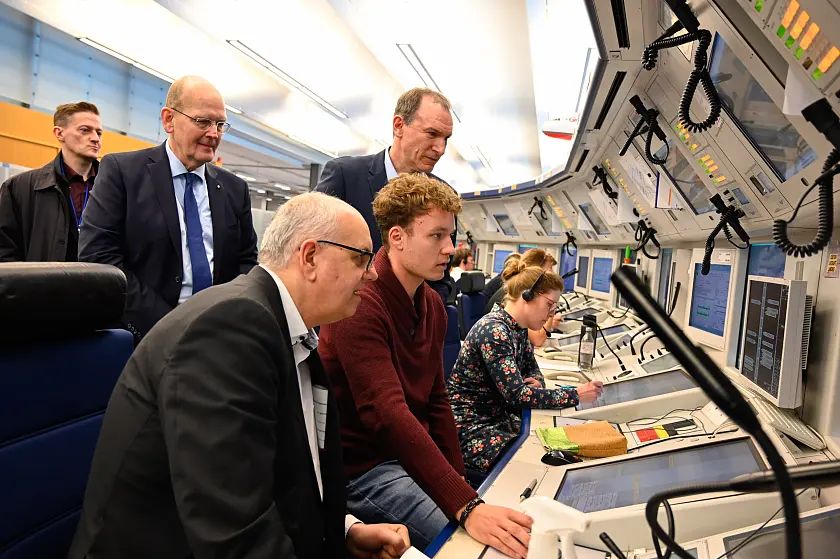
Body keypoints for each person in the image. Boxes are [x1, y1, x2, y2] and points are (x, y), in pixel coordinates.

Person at [69, 192, 412, 559]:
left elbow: (281, 471)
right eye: (361, 258)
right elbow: (234, 531)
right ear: (310, 257)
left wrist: (342, 530)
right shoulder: (230, 328)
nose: (373, 273)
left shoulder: (289, 332)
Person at [318, 173, 533, 558]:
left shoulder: (432, 306)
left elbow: (437, 403)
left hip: (406, 456)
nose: (449, 247)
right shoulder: (360, 304)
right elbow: (388, 414)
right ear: (397, 238)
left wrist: (464, 490)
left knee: (488, 525)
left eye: (450, 236)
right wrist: (464, 508)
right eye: (436, 236)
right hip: (364, 470)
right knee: (474, 547)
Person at [79, 75, 258, 342]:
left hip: (216, 336)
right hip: (143, 336)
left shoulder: (234, 190)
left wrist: (226, 316)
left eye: (220, 124)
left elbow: (246, 262)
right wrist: (169, 324)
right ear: (168, 120)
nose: (213, 133)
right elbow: (98, 256)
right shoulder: (123, 172)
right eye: (202, 121)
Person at [447, 260, 604, 473]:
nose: (551, 313)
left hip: (497, 420)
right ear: (527, 296)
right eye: (550, 304)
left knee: (561, 444)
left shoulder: (517, 328)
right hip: (472, 431)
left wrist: (537, 381)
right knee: (540, 463)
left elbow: (532, 369)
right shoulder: (494, 331)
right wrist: (575, 395)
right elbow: (517, 396)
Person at [315, 87, 457, 303]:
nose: (440, 148)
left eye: (446, 138)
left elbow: (441, 280)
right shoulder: (345, 177)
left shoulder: (445, 197)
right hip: (346, 316)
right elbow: (315, 252)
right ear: (399, 125)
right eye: (432, 134)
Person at [0, 102, 102, 262]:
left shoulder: (114, 188)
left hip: (102, 284)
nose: (95, 138)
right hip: (44, 285)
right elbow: (5, 250)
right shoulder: (19, 188)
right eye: (85, 130)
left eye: (99, 133)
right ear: (59, 133)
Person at [483, 249, 561, 347]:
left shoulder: (519, 329)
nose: (552, 276)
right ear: (528, 296)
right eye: (548, 272)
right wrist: (549, 318)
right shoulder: (497, 332)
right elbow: (538, 339)